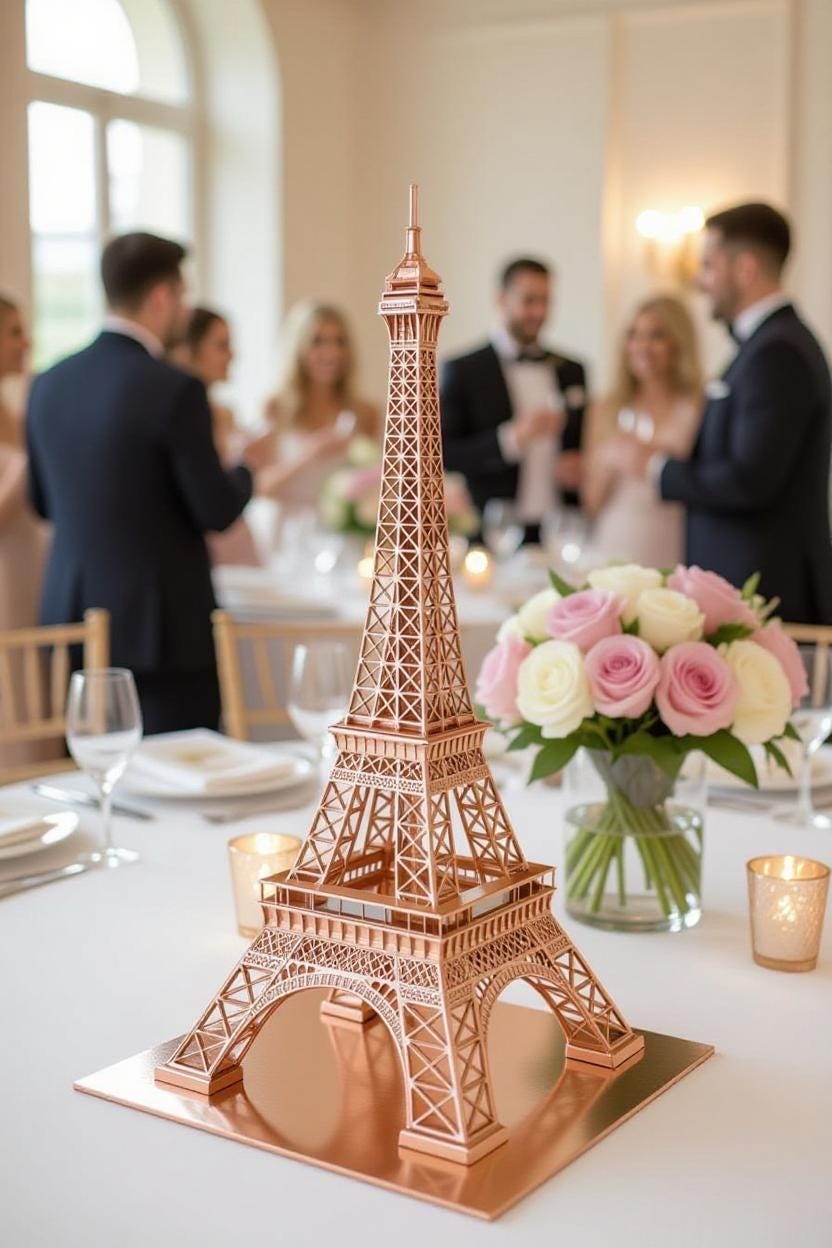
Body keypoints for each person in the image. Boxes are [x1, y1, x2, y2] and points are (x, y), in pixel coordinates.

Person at [26, 232, 269, 734]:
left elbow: (42, 503)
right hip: (163, 629)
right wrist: (247, 469)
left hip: (74, 619)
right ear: (162, 296)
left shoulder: (48, 383)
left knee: (95, 768)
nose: (184, 307)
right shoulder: (174, 389)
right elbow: (216, 511)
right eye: (182, 293)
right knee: (183, 766)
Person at [627, 203, 832, 623]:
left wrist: (660, 469)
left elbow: (751, 479)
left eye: (709, 266)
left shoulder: (777, 352)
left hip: (767, 589)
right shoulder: (767, 345)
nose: (700, 281)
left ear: (746, 268)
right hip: (753, 583)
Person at [440, 257, 588, 544]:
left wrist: (577, 462)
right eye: (529, 300)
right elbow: (445, 454)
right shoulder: (463, 369)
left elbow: (581, 441)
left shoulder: (573, 370)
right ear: (501, 299)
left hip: (559, 530)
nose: (539, 312)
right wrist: (511, 438)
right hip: (493, 530)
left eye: (546, 301)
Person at [582, 295, 703, 567]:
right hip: (613, 540)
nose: (643, 347)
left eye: (656, 336)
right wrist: (610, 461)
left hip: (674, 541)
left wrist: (659, 461)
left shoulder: (698, 405)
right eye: (634, 336)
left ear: (678, 342)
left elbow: (706, 482)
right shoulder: (605, 407)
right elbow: (591, 503)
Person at [0, 296, 54, 770]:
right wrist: (21, 469)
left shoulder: (15, 410)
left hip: (29, 570)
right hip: (4, 579)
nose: (26, 343)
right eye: (14, 332)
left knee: (32, 684)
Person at [258, 301, 380, 509]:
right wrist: (309, 455)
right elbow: (261, 487)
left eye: (339, 342)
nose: (331, 352)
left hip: (341, 527)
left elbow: (376, 481)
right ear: (298, 348)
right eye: (318, 341)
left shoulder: (366, 412)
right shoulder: (276, 407)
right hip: (288, 523)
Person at [169, 307, 260, 567]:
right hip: (202, 542)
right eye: (221, 345)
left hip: (236, 537)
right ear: (189, 350)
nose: (232, 354)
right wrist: (246, 462)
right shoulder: (178, 417)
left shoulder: (225, 414)